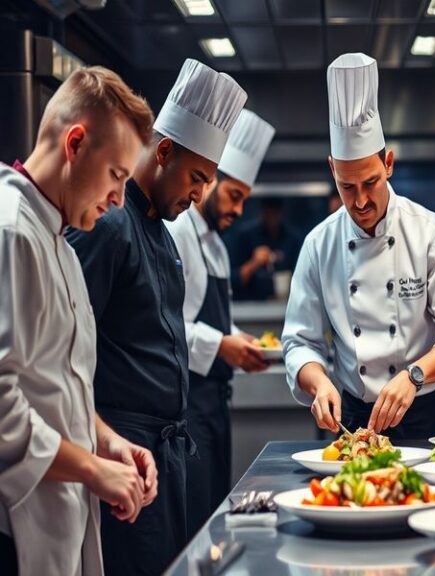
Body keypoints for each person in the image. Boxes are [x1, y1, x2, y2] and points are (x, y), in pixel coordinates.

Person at [66, 59, 247, 574]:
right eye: (196, 178)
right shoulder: (110, 225)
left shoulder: (164, 237)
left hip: (164, 457)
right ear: (163, 151)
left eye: (208, 183)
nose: (199, 196)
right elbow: (70, 347)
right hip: (123, 454)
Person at [0, 67, 157, 576]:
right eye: (116, 175)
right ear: (75, 143)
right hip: (14, 529)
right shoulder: (9, 232)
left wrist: (108, 443)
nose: (118, 200)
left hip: (62, 519)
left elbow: (58, 387)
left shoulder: (62, 246)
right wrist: (92, 469)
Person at [282, 53, 435, 439]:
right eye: (347, 187)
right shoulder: (318, 245)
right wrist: (320, 383)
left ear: (388, 163)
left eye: (370, 183)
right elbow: (299, 342)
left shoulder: (430, 231)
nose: (359, 202)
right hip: (353, 421)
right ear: (332, 171)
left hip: (425, 414)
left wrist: (415, 375)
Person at [166, 109, 275, 536]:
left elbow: (212, 321)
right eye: (234, 195)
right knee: (196, 519)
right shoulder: (178, 233)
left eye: (245, 199)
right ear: (208, 181)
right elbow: (170, 325)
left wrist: (236, 342)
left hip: (217, 403)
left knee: (215, 511)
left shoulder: (219, 247)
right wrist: (223, 346)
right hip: (189, 404)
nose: (238, 209)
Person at [225, 196, 301, 301]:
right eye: (269, 213)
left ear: (282, 213)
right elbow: (231, 282)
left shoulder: (293, 239)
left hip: (286, 303)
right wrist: (254, 263)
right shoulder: (245, 236)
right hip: (250, 305)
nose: (272, 218)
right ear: (262, 213)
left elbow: (302, 278)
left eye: (275, 213)